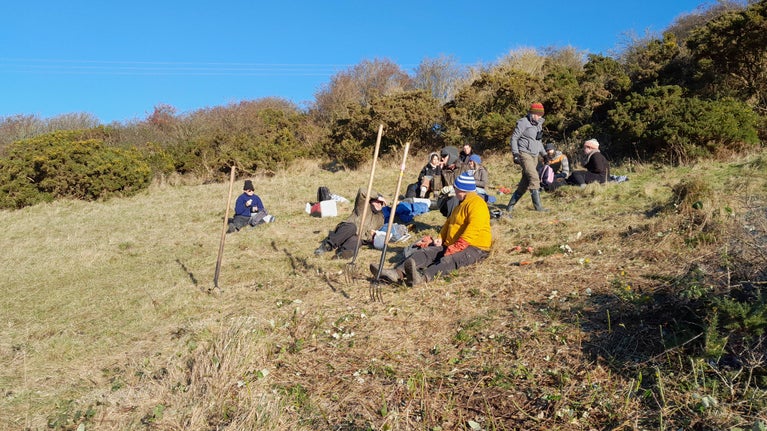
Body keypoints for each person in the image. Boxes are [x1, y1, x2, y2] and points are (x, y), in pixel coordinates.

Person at [369, 172, 492, 286]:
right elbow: (448, 224)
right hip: (455, 243)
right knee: (425, 252)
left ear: (462, 190)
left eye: (455, 188)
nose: (454, 191)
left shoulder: (477, 204)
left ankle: (422, 277)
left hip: (475, 248)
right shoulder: (460, 205)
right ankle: (396, 273)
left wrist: (455, 248)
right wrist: (440, 238)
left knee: (448, 260)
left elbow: (473, 231)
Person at [315, 188, 387, 259]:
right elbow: (362, 191)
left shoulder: (381, 218)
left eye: (381, 203)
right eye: (377, 201)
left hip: (357, 237)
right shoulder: (363, 206)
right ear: (371, 201)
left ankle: (341, 255)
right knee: (352, 227)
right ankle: (327, 245)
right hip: (346, 230)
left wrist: (371, 235)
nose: (379, 204)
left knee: (357, 241)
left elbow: (371, 236)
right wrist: (377, 196)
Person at [506, 102, 548, 214]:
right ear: (532, 113)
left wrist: (544, 154)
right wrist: (515, 154)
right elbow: (514, 139)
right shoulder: (523, 123)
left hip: (535, 156)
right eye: (538, 115)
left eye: (541, 115)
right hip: (524, 154)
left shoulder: (539, 124)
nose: (540, 117)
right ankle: (538, 208)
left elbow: (538, 141)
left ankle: (509, 207)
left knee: (524, 184)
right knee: (534, 178)